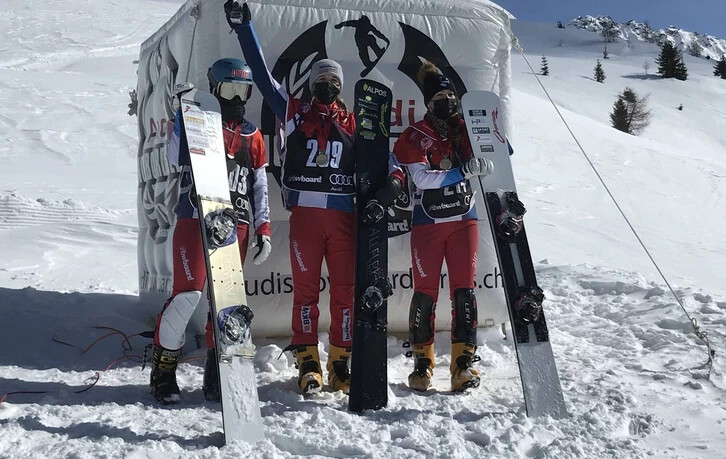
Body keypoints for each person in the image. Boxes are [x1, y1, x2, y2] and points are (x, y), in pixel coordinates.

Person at [224, 1, 404, 395]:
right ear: (312, 83)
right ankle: (308, 361)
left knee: (344, 293)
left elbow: (386, 157)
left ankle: (341, 363)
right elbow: (261, 75)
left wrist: (393, 181)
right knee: (305, 292)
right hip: (305, 216)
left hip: (343, 218)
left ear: (342, 88)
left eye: (335, 83)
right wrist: (244, 29)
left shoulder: (354, 122)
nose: (328, 87)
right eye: (323, 80)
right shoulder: (293, 111)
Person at [150, 57, 272, 404]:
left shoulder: (253, 136)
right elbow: (175, 157)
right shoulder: (200, 124)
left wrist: (263, 227)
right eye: (230, 90)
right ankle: (163, 370)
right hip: (195, 217)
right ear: (215, 89)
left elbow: (260, 186)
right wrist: (182, 114)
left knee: (225, 304)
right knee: (187, 295)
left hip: (238, 225)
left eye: (243, 91)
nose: (237, 98)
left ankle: (218, 372)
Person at [393, 62, 493, 393]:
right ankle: (423, 362)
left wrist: (490, 131)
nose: (448, 101)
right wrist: (463, 172)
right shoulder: (415, 135)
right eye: (440, 96)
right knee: (425, 294)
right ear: (428, 102)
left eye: (452, 95)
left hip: (464, 220)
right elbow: (421, 178)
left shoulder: (465, 128)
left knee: (464, 292)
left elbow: (502, 154)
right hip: (429, 224)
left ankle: (463, 363)